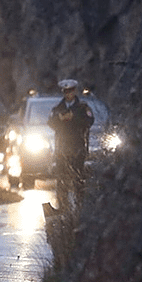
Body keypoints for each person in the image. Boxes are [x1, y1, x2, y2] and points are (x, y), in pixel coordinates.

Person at [47, 79, 94, 210]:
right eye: (66, 91)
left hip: (77, 147)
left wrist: (74, 118)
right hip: (62, 148)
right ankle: (63, 207)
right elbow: (51, 123)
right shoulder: (58, 109)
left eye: (70, 91)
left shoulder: (82, 108)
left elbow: (89, 121)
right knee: (61, 180)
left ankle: (80, 206)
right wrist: (60, 120)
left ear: (75, 91)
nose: (68, 94)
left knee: (78, 179)